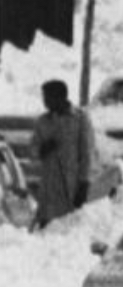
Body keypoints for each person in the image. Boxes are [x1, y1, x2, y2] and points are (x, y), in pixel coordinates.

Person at [31, 79, 95, 229]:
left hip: (71, 188)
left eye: (48, 97)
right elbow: (33, 150)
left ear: (60, 97)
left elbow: (86, 154)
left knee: (69, 231)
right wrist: (43, 149)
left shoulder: (79, 119)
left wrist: (84, 184)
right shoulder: (43, 121)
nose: (45, 101)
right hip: (49, 192)